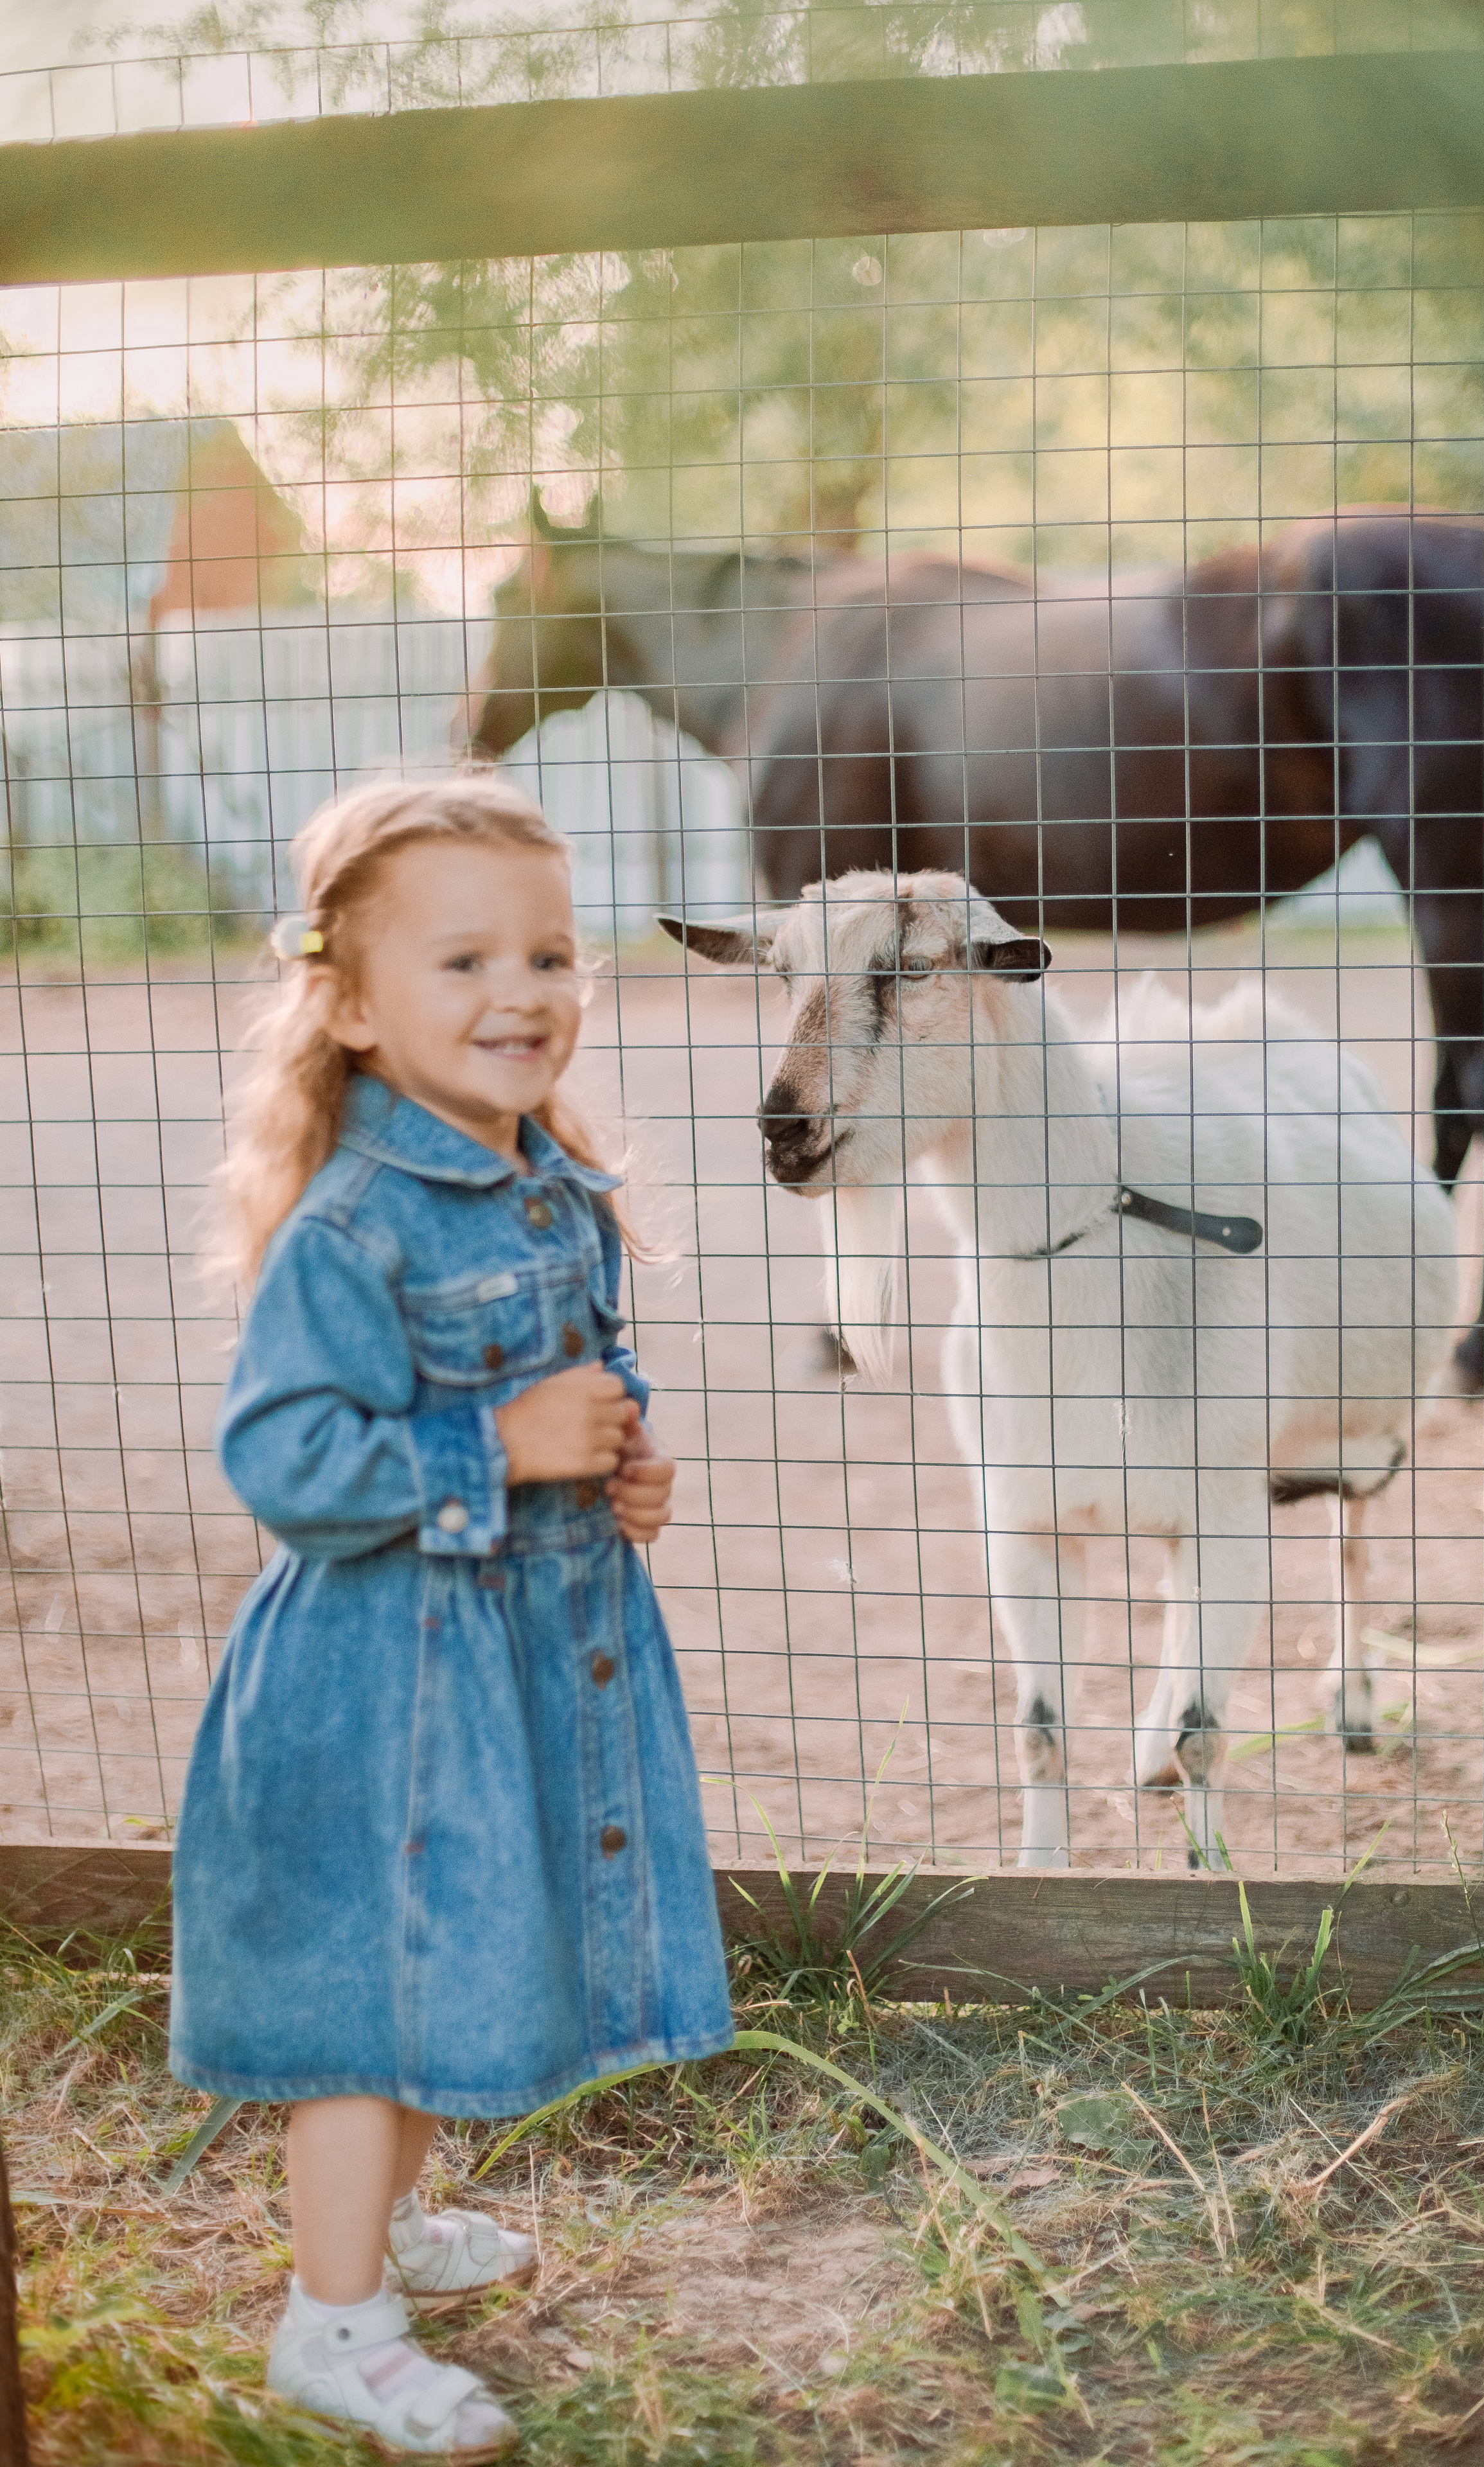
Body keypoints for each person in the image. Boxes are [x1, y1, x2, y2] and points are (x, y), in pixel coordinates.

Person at [169, 774, 734, 2458]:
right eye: (466, 961)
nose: (524, 994)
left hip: (508, 1648)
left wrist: (611, 1458)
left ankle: (384, 2230)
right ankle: (334, 2322)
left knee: (453, 1950)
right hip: (384, 1676)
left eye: (552, 955)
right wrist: (496, 1447)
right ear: (346, 1006)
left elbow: (571, 1374)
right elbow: (284, 1459)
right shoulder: (353, 1221)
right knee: (377, 2001)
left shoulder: (540, 1171)